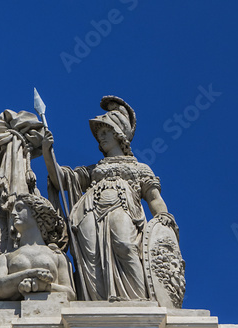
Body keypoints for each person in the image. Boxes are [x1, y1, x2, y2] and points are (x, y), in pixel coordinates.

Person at [43, 96, 170, 301]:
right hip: (90, 211)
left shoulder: (139, 169)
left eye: (105, 132)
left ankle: (136, 301)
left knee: (125, 246)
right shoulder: (94, 170)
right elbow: (61, 180)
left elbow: (154, 197)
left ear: (118, 134)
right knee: (91, 255)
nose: (100, 138)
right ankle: (97, 303)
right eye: (99, 134)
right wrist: (47, 152)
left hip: (123, 208)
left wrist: (164, 218)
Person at [0, 193, 75, 300]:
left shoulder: (57, 256)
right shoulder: (6, 257)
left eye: (19, 208)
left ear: (36, 212)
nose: (13, 213)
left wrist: (44, 287)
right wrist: (29, 274)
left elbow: (70, 294)